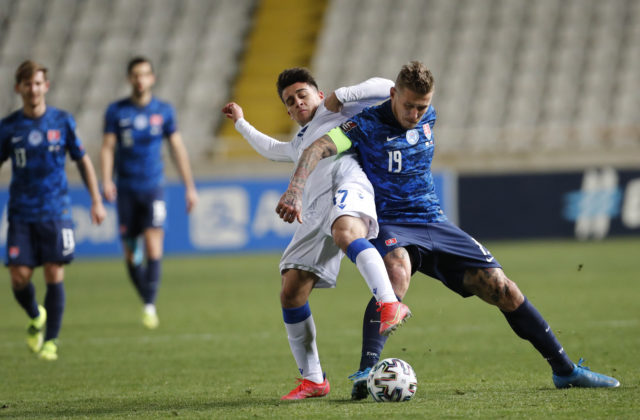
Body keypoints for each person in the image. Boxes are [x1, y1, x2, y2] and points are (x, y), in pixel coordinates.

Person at [276, 61, 620, 397]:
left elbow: (412, 106)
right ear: (393, 95)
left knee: (504, 289)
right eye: (408, 106)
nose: (415, 114)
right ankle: (367, 371)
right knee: (395, 273)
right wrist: (295, 189)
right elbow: (318, 147)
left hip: (433, 220)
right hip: (391, 220)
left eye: (422, 107)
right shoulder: (365, 124)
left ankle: (565, 371)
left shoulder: (430, 115)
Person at [221, 68, 411, 400]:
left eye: (302, 95)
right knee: (291, 290)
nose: (297, 103)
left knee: (346, 233)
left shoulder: (336, 110)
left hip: (349, 184)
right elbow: (270, 148)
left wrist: (346, 94)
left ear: (319, 95)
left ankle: (388, 303)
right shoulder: (298, 142)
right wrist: (240, 122)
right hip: (315, 210)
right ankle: (313, 380)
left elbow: (388, 87)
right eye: (290, 102)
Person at [0, 60, 106, 361]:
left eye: (37, 83)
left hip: (56, 211)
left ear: (45, 86)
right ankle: (35, 315)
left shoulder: (62, 121)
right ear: (18, 88)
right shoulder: (8, 127)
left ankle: (52, 341)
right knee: (19, 277)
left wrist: (96, 199)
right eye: (27, 84)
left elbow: (82, 159)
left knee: (53, 272)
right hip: (21, 212)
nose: (32, 89)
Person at [101, 56, 198, 329]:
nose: (140, 79)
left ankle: (149, 305)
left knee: (154, 242)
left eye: (145, 74)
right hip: (126, 189)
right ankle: (147, 298)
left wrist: (190, 187)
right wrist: (106, 180)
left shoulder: (164, 111)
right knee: (131, 253)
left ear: (152, 78)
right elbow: (108, 147)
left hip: (154, 186)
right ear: (129, 79)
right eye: (135, 75)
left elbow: (177, 148)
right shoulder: (116, 112)